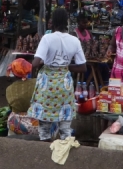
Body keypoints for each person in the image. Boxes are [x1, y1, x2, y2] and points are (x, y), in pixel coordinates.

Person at [30, 8, 87, 142]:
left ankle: (45, 151)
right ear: (66, 22)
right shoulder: (75, 40)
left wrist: (44, 62)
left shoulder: (47, 38)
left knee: (44, 126)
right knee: (65, 127)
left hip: (47, 83)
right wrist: (65, 66)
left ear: (53, 22)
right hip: (64, 83)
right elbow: (83, 67)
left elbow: (35, 63)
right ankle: (65, 152)